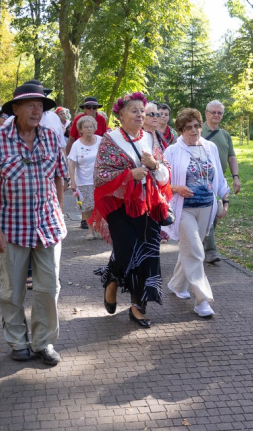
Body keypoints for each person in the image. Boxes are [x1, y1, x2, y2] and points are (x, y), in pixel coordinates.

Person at [0, 82, 67, 366]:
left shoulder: (51, 137)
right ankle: (18, 341)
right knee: (11, 290)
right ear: (15, 109)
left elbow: (59, 178)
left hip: (48, 227)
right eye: (30, 104)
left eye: (40, 105)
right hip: (11, 229)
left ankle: (44, 342)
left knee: (48, 289)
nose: (37, 110)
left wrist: (59, 213)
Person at [89, 92, 172, 328]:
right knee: (125, 253)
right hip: (120, 207)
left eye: (142, 111)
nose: (140, 114)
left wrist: (154, 165)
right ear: (121, 115)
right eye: (134, 111)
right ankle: (112, 278)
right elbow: (101, 176)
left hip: (149, 205)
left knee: (148, 254)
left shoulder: (150, 138)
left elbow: (165, 172)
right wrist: (128, 175)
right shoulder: (110, 139)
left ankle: (138, 305)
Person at [163, 108, 230, 317]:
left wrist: (224, 200)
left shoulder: (209, 147)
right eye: (188, 127)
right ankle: (202, 300)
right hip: (184, 209)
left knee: (191, 250)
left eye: (197, 126)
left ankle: (176, 284)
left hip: (206, 207)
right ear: (181, 130)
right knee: (195, 251)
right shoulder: (173, 151)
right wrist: (176, 188)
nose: (194, 131)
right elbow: (161, 181)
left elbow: (217, 176)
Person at [201, 100, 240, 264]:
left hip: (219, 179)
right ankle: (210, 250)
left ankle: (202, 243)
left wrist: (235, 177)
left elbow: (231, 157)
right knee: (210, 211)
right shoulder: (198, 131)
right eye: (213, 112)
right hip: (201, 179)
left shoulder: (225, 135)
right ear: (206, 113)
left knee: (215, 214)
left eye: (219, 113)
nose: (216, 115)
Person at [68, 115, 102, 238]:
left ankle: (99, 228)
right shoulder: (77, 145)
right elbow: (72, 164)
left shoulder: (101, 140)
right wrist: (72, 181)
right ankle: (90, 230)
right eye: (86, 127)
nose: (89, 129)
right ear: (80, 130)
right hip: (83, 180)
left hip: (100, 180)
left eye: (91, 126)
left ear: (95, 128)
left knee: (99, 205)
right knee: (87, 207)